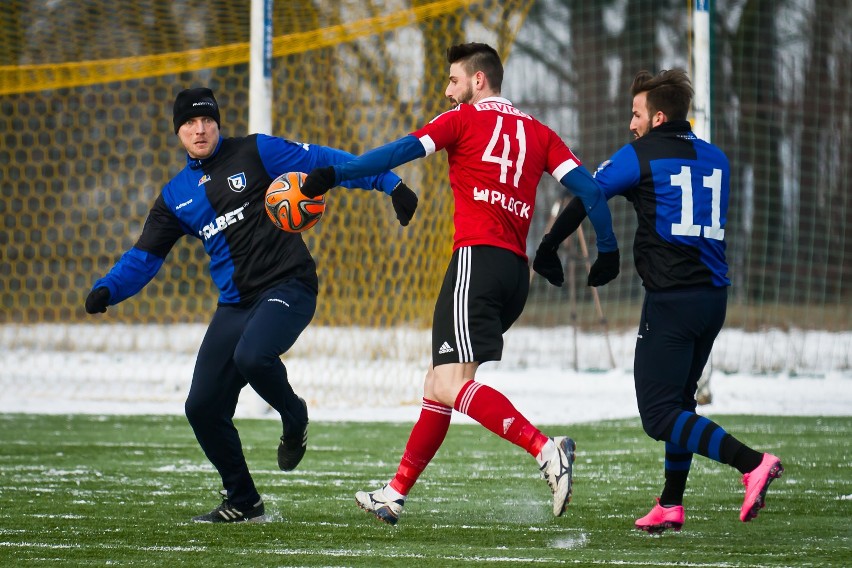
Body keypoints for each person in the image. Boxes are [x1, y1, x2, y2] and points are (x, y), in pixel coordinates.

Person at [299, 42, 620, 525]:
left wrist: (333, 174)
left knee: (452, 383)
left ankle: (545, 448)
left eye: (453, 81)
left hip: (475, 260)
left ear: (478, 80)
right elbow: (591, 190)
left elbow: (401, 149)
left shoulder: (463, 120)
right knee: (438, 382)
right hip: (514, 272)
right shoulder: (541, 133)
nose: (447, 90)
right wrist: (608, 249)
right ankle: (395, 492)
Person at [84, 87, 418, 523]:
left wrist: (388, 182)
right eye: (189, 123)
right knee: (200, 407)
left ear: (219, 123)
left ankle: (294, 416)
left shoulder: (257, 151)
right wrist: (107, 289)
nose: (199, 129)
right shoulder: (175, 196)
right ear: (178, 132)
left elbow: (327, 161)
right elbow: (144, 258)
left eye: (206, 121)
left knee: (252, 354)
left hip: (290, 285)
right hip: (235, 304)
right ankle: (243, 501)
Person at [533, 69, 783, 533]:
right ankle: (670, 503)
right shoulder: (717, 158)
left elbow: (588, 191)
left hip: (672, 301)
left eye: (637, 113)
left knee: (658, 415)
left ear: (659, 116)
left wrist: (548, 246)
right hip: (713, 299)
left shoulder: (641, 156)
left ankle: (751, 463)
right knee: (680, 405)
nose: (631, 123)